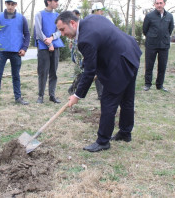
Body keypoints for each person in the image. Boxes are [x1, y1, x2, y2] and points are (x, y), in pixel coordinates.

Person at [55, 11, 142, 152]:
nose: (63, 34)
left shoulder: (85, 39)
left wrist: (77, 95)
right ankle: (125, 133)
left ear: (72, 23)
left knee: (108, 101)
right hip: (131, 53)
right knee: (127, 99)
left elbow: (90, 71)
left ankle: (103, 141)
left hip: (120, 63)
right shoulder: (92, 18)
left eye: (63, 30)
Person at [0, 0, 30, 109]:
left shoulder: (22, 18)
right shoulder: (0, 17)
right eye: (8, 4)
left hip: (16, 52)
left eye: (13, 4)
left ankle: (18, 97)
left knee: (16, 75)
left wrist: (24, 48)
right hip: (1, 51)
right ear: (6, 4)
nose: (10, 6)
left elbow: (27, 34)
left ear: (16, 5)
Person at [34, 0, 64, 104]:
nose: (57, 3)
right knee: (42, 72)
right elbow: (38, 31)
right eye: (55, 1)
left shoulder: (58, 16)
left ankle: (52, 95)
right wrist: (47, 43)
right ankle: (40, 96)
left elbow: (60, 31)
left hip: (55, 45)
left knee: (53, 72)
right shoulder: (39, 15)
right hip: (43, 46)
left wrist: (52, 38)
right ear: (48, 2)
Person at [143, 0, 174, 92]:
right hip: (151, 45)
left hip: (164, 45)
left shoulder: (169, 16)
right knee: (149, 65)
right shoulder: (149, 16)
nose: (159, 5)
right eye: (157, 3)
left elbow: (170, 29)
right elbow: (145, 30)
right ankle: (147, 84)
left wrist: (164, 37)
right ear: (154, 4)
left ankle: (159, 85)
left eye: (161, 3)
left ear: (164, 4)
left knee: (162, 66)